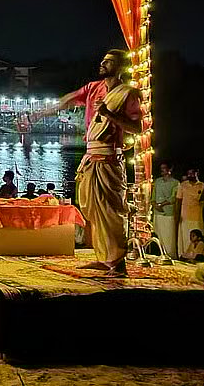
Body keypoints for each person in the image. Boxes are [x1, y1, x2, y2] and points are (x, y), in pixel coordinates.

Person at [34, 49, 142, 276]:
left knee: (112, 212)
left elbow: (136, 128)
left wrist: (108, 114)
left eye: (108, 62)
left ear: (120, 67)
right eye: (102, 61)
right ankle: (104, 259)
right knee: (92, 208)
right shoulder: (93, 88)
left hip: (110, 159)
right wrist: (41, 113)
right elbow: (68, 99)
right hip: (91, 156)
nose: (102, 64)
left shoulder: (128, 94)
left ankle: (118, 263)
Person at [151, 162, 180, 258]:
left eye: (164, 168)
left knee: (168, 236)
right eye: (161, 168)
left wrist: (162, 204)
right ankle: (158, 254)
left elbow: (173, 198)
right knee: (158, 234)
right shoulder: (158, 181)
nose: (162, 170)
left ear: (169, 170)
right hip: (157, 212)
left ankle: (169, 255)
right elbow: (153, 195)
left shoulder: (175, 182)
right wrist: (155, 204)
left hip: (167, 212)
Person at [176, 167, 204, 257]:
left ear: (197, 173)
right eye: (188, 173)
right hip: (184, 217)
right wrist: (177, 215)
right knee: (185, 238)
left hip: (197, 217)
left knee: (197, 238)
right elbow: (178, 201)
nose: (190, 175)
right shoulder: (183, 185)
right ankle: (185, 256)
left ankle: (196, 257)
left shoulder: (203, 186)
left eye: (192, 173)